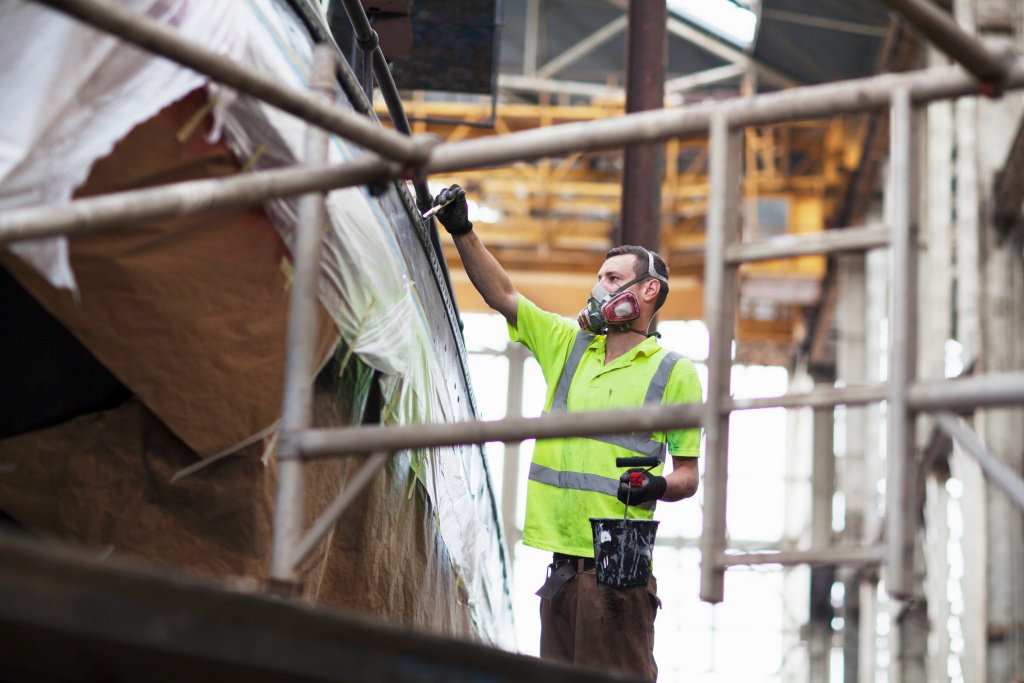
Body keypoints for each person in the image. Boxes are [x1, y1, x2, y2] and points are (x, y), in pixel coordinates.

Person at [432, 184, 702, 681]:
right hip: (560, 571)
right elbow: (504, 296)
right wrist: (463, 231)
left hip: (620, 566)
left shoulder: (674, 372)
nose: (599, 287)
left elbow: (688, 474)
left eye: (613, 277)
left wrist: (656, 486)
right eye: (599, 277)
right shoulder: (569, 345)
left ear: (648, 291)